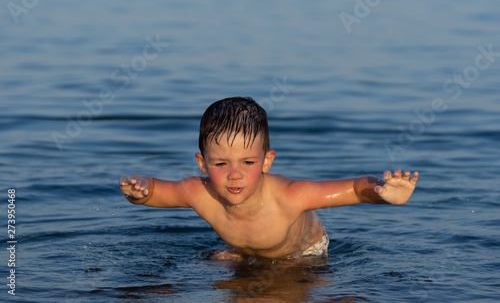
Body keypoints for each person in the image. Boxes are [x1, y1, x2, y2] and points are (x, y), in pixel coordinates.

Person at [119, 97, 419, 260]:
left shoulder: (291, 197)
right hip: (245, 249)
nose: (234, 174)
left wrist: (384, 193)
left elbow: (354, 189)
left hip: (302, 256)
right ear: (202, 164)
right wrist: (140, 190)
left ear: (267, 161)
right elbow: (160, 191)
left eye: (247, 162)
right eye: (221, 163)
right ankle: (237, 254)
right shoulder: (199, 192)